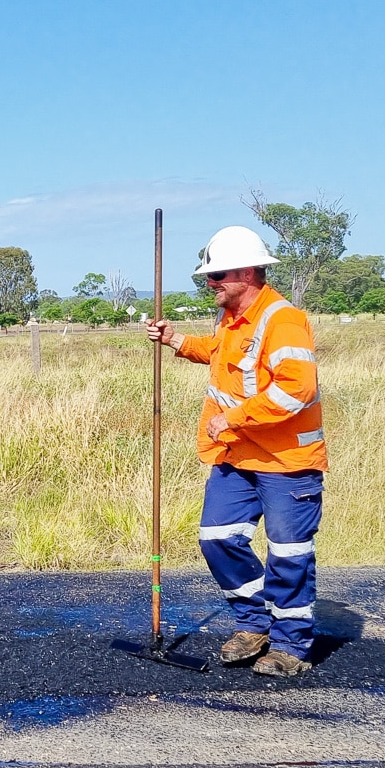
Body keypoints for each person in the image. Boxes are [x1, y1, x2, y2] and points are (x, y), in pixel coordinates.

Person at [146, 225, 327, 677]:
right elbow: (224, 353)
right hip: (237, 458)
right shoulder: (234, 318)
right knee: (217, 539)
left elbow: (297, 390)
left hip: (286, 463)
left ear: (247, 272)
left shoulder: (282, 319)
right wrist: (177, 341)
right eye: (208, 277)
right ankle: (255, 623)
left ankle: (290, 646)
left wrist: (235, 417)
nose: (210, 285)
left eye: (217, 276)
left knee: (288, 554)